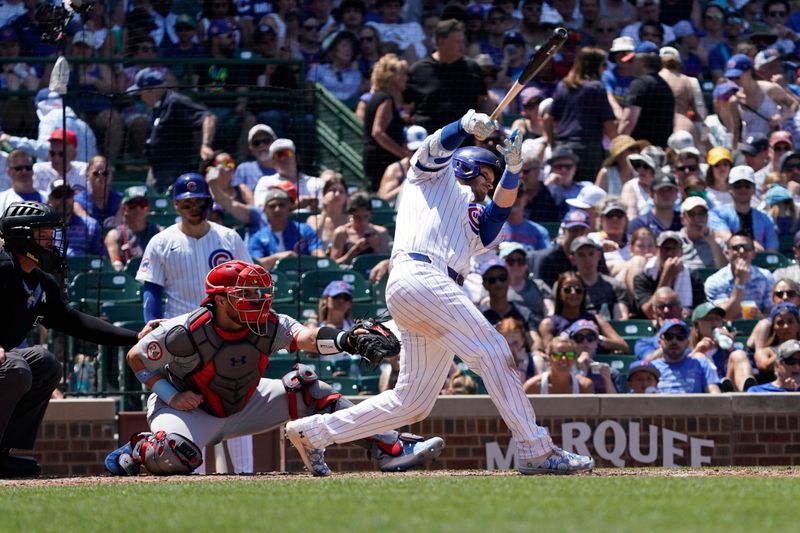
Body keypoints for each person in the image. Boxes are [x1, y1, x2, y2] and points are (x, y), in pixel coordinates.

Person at [285, 110, 595, 475]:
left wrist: (511, 172)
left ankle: (312, 433)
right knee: (494, 350)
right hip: (419, 274)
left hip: (430, 291)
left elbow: (496, 216)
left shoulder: (476, 219)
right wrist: (463, 127)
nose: (487, 186)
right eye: (486, 175)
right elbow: (435, 148)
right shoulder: (430, 179)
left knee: (412, 401)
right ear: (468, 166)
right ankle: (535, 448)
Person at [104, 259, 444, 476]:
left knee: (308, 386)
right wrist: (170, 394)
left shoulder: (268, 323)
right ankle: (138, 447)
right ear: (221, 300)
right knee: (174, 457)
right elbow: (136, 357)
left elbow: (307, 337)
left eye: (259, 292)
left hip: (248, 401)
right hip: (192, 409)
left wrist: (346, 340)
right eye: (246, 294)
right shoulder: (184, 330)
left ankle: (390, 447)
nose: (258, 300)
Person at [0, 201, 155, 478]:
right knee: (16, 369)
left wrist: (135, 336)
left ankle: (2, 455)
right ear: (21, 235)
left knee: (45, 363)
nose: (51, 241)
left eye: (51, 233)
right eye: (43, 234)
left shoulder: (41, 282)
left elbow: (72, 322)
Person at [129, 68, 218, 193]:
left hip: (176, 175)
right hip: (158, 174)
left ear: (151, 90)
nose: (141, 98)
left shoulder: (175, 102)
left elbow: (208, 117)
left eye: (141, 93)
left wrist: (205, 144)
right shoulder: (158, 108)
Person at [403, 19, 489, 132]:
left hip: (463, 141)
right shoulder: (418, 70)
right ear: (440, 42)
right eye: (458, 42)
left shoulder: (473, 69)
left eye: (463, 41)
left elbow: (483, 101)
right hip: (427, 140)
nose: (462, 46)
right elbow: (406, 107)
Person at [547, 47, 617, 181]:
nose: (606, 69)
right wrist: (619, 145)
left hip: (562, 148)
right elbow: (608, 123)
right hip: (588, 151)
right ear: (596, 66)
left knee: (560, 191)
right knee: (587, 193)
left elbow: (548, 119)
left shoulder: (563, 86)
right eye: (604, 65)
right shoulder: (597, 87)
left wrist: (553, 144)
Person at [538, 271, 628, 351]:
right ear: (559, 293)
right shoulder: (549, 324)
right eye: (567, 290)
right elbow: (549, 353)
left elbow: (623, 345)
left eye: (578, 290)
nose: (573, 293)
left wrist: (594, 339)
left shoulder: (595, 319)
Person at [721, 54, 798, 148]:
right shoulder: (734, 101)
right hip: (752, 149)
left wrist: (781, 118)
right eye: (731, 78)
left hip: (774, 145)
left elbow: (794, 104)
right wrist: (734, 153)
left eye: (737, 76)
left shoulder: (770, 89)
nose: (735, 80)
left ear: (749, 71)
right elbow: (736, 131)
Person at [361, 53, 410, 191]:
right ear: (394, 78)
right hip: (381, 160)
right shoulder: (385, 98)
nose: (406, 78)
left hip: (376, 157)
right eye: (404, 74)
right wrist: (403, 154)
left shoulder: (377, 97)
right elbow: (378, 132)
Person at [633, 231, 707, 319]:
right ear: (657, 251)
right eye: (666, 249)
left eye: (674, 249)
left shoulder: (693, 277)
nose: (670, 254)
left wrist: (689, 312)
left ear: (681, 252)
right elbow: (649, 312)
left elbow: (700, 310)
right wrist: (666, 276)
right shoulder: (644, 277)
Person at [248, 188, 326, 270]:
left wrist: (299, 259)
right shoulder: (257, 237)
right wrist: (278, 257)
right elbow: (255, 265)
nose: (277, 209)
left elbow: (319, 255)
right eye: (272, 206)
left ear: (289, 207)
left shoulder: (304, 230)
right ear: (265, 210)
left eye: (281, 205)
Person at [708, 166, 780, 252]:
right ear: (729, 188)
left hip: (761, 263)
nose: (743, 189)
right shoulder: (717, 214)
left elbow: (772, 248)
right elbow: (724, 236)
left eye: (747, 186)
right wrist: (751, 246)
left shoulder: (766, 218)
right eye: (738, 186)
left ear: (753, 189)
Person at [618, 41, 675, 148]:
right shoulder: (665, 86)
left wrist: (618, 147)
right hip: (659, 152)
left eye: (631, 61)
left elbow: (628, 121)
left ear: (642, 61)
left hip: (639, 153)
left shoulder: (639, 84)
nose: (628, 66)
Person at [705, 232, 774, 320]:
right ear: (727, 253)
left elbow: (770, 313)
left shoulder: (766, 277)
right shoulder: (715, 281)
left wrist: (760, 318)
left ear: (753, 253)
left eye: (747, 248)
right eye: (736, 248)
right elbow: (724, 317)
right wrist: (739, 283)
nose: (742, 251)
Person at [689, 302, 757, 393]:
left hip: (730, 392)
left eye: (717, 319)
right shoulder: (687, 348)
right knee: (698, 356)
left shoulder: (730, 349)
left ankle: (749, 395)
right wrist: (696, 351)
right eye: (708, 319)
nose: (713, 322)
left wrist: (731, 349)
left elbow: (753, 368)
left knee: (738, 354)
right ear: (697, 326)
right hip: (703, 396)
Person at [650, 319, 722, 394]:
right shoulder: (651, 368)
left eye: (680, 337)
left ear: (687, 343)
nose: (674, 341)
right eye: (669, 336)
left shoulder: (701, 365)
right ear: (660, 342)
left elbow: (714, 393)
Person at [569, 236, 631, 319]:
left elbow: (621, 318)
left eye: (591, 254)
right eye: (581, 255)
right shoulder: (567, 288)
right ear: (572, 259)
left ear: (598, 255)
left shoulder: (615, 286)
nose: (587, 260)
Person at [104, 186, 163, 273]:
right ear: (124, 209)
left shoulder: (159, 233)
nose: (138, 209)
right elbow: (116, 266)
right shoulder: (114, 235)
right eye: (133, 205)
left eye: (143, 204)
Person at [252, 138, 323, 209]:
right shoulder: (266, 182)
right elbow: (261, 209)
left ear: (297, 158)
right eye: (278, 155)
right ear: (272, 162)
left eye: (287, 153)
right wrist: (296, 205)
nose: (283, 158)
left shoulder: (316, 183)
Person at [479, 258, 537, 343]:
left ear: (509, 279)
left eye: (502, 278)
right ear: (485, 285)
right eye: (492, 280)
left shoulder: (524, 313)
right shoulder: (478, 316)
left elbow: (534, 340)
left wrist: (537, 352)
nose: (498, 283)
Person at [330, 191, 391, 265]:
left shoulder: (381, 232)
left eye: (366, 217)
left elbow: (388, 262)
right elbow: (333, 265)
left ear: (371, 214)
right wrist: (354, 251)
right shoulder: (341, 233)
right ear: (350, 215)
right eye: (357, 217)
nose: (362, 222)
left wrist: (376, 247)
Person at [47, 180, 104, 257]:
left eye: (68, 194)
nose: (64, 200)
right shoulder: (40, 227)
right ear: (50, 200)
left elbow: (100, 258)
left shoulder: (91, 226)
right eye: (58, 195)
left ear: (73, 197)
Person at [523, 336, 595, 394]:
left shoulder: (585, 386)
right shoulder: (532, 387)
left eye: (569, 355)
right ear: (548, 359)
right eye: (558, 355)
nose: (564, 358)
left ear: (574, 359)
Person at [567, 319, 620, 394]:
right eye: (579, 338)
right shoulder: (565, 372)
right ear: (572, 343)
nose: (585, 341)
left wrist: (607, 380)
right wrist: (581, 372)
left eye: (590, 338)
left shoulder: (611, 373)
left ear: (596, 343)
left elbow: (617, 404)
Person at [754, 301, 800, 383]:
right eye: (780, 323)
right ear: (774, 328)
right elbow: (764, 366)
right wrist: (787, 348)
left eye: (790, 321)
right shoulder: (765, 351)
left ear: (798, 325)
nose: (786, 326)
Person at [628, 172, 683, 239]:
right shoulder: (640, 224)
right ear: (651, 194)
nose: (666, 194)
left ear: (677, 193)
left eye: (670, 190)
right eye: (661, 190)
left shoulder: (684, 221)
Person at [634, 287, 684, 361]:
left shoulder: (691, 337)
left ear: (680, 310)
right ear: (654, 312)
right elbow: (647, 362)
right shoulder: (644, 343)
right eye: (661, 306)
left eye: (671, 306)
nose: (666, 310)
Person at [32, 129, 88, 194]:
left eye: (61, 154)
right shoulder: (39, 170)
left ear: (74, 155)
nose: (56, 158)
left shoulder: (84, 171)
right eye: (52, 153)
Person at [74, 156, 123, 230]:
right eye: (96, 173)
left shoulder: (121, 200)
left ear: (111, 176)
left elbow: (119, 227)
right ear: (87, 175)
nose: (101, 177)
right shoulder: (78, 202)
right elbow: (88, 227)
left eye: (105, 173)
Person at [678, 197, 728, 270]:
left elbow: (724, 272)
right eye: (692, 214)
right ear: (682, 219)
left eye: (701, 213)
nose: (697, 218)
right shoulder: (674, 241)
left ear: (707, 217)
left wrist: (713, 243)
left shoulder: (718, 244)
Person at [501, 181, 551, 251]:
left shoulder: (540, 232)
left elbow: (544, 258)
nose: (514, 199)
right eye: (510, 195)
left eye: (518, 194)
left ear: (526, 199)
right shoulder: (492, 228)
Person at [305, 173, 349, 252]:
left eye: (341, 191)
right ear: (324, 194)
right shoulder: (313, 220)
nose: (337, 194)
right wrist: (325, 211)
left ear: (346, 196)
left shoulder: (351, 220)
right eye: (333, 190)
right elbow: (313, 242)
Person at [231, 124, 277, 199]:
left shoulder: (284, 167)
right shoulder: (243, 169)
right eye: (256, 143)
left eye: (266, 141)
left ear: (275, 143)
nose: (262, 145)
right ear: (250, 149)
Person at [0, 150, 45, 215]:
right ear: (9, 172)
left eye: (28, 168)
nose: (24, 172)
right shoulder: (2, 199)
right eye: (18, 168)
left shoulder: (47, 197)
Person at [497, 317, 538, 384]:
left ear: (523, 340)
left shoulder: (536, 361)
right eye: (506, 344)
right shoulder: (495, 362)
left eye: (515, 343)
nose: (510, 348)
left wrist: (523, 362)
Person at [620, 151, 657, 219]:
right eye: (638, 165)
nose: (640, 169)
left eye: (645, 166)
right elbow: (630, 217)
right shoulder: (630, 186)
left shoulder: (664, 187)